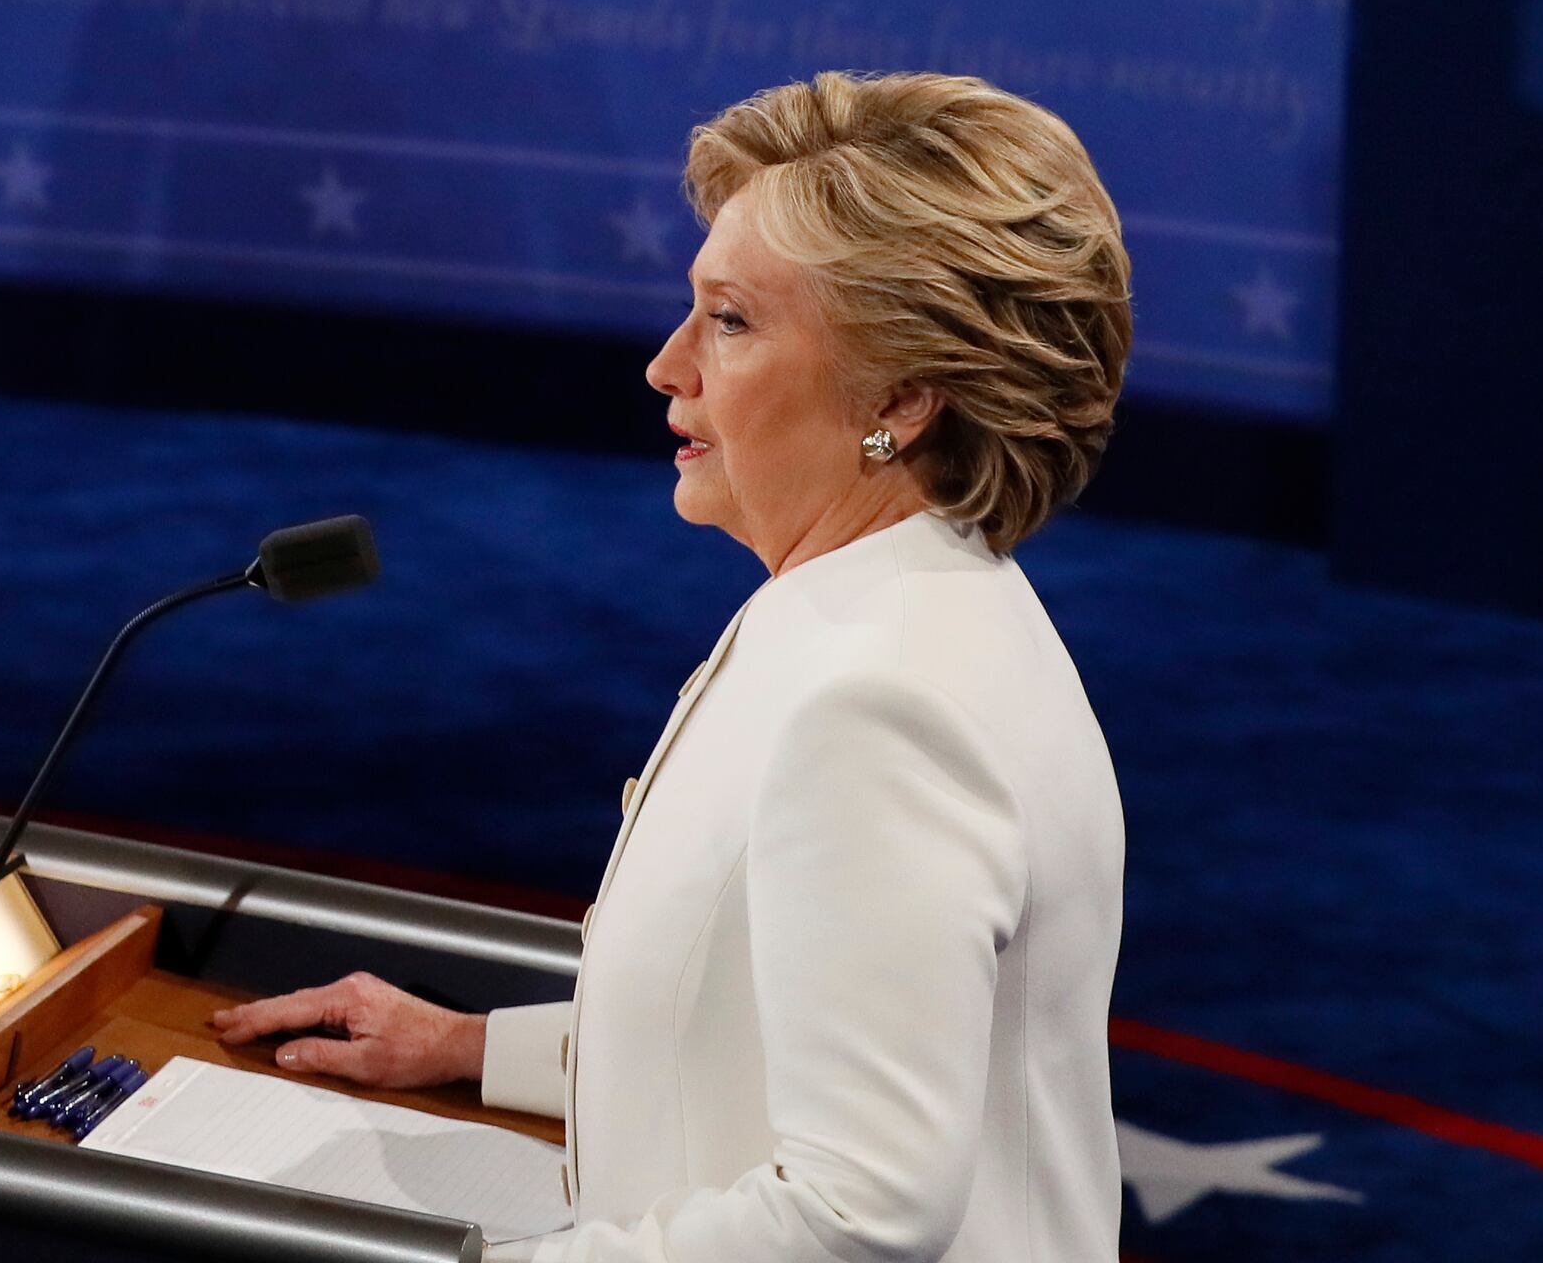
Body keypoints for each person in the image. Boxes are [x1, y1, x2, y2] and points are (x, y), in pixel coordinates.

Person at [212, 72, 1132, 1263]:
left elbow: (858, 1215)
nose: (666, 365)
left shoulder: (880, 704)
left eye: (731, 321)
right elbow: (758, 1027)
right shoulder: (901, 608)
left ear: (900, 399)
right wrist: (471, 1047)